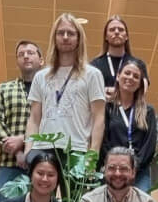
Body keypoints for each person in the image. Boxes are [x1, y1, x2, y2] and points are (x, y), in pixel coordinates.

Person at [27, 13, 107, 156]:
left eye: (70, 33)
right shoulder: (40, 76)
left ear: (78, 39)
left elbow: (99, 117)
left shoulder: (92, 75)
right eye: (60, 33)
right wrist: (29, 151)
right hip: (43, 149)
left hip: (77, 149)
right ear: (54, 37)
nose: (65, 37)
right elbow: (34, 118)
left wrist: (93, 155)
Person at [0, 40, 44, 190]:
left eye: (30, 53)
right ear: (17, 62)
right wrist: (18, 151)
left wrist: (23, 140)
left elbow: (54, 123)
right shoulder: (4, 89)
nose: (25, 56)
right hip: (8, 164)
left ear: (41, 60)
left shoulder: (51, 92)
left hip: (41, 165)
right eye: (21, 54)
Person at [101, 60, 157, 191]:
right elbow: (103, 141)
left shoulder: (147, 111)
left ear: (139, 84)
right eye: (127, 73)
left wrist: (134, 167)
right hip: (112, 169)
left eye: (136, 76)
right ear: (118, 76)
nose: (130, 78)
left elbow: (149, 145)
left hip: (139, 172)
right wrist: (115, 165)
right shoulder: (107, 108)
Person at [92, 15, 147, 93]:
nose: (117, 32)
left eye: (121, 30)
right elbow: (89, 91)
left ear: (126, 36)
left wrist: (113, 93)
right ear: (106, 37)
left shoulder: (139, 64)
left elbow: (142, 90)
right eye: (112, 30)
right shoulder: (94, 65)